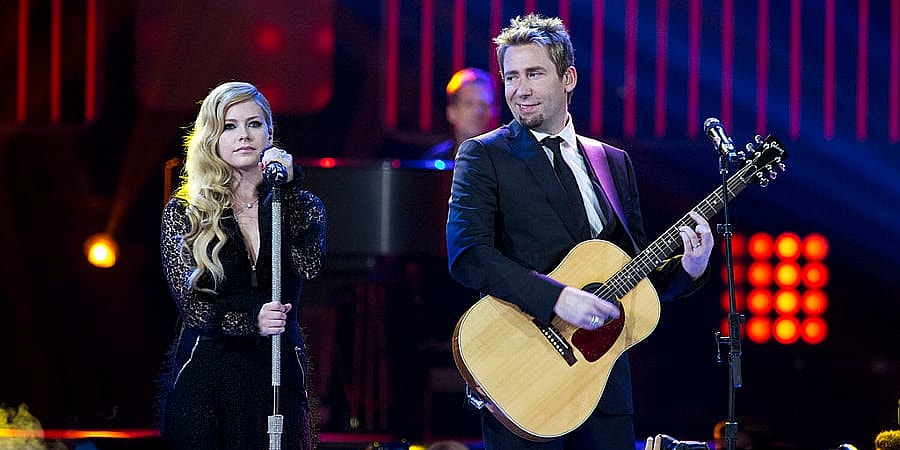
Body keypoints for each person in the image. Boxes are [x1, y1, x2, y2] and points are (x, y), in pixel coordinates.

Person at [445, 14, 714, 449]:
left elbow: (634, 280)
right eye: (511, 76)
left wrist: (689, 268)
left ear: (568, 78)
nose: (520, 89)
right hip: (524, 379)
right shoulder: (483, 155)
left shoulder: (613, 162)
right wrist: (557, 298)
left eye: (534, 73)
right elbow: (468, 255)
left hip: (604, 389)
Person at [157, 81, 326, 449]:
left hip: (276, 374)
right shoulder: (187, 210)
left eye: (254, 124)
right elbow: (194, 309)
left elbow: (309, 265)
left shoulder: (300, 204)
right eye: (229, 126)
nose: (243, 135)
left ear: (269, 133)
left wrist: (289, 193)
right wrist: (254, 321)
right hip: (208, 377)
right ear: (211, 138)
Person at [422, 67, 500, 160]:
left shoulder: (508, 159)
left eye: (484, 105)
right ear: (451, 112)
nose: (477, 111)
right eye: (469, 104)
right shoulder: (435, 159)